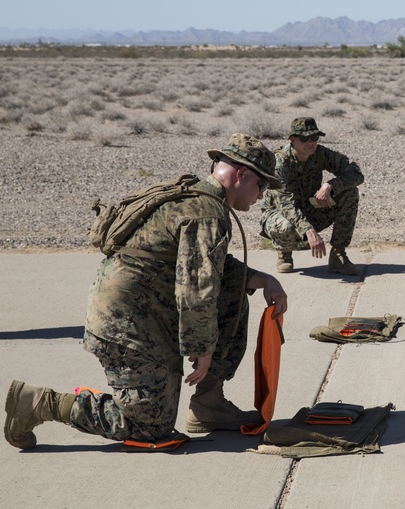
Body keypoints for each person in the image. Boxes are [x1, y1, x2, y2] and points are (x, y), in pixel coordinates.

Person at [5, 134, 289, 450]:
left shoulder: (195, 199)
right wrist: (203, 348)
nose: (261, 196)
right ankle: (40, 403)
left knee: (233, 295)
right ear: (241, 174)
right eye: (262, 186)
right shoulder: (207, 212)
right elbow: (196, 290)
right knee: (148, 424)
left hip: (144, 312)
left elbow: (211, 268)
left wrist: (266, 280)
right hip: (126, 324)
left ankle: (209, 404)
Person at [260, 117, 364, 275]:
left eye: (314, 138)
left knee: (350, 192)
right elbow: (286, 205)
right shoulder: (280, 163)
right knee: (286, 227)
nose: (310, 143)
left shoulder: (320, 153)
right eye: (304, 139)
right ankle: (284, 253)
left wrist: (330, 185)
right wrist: (309, 231)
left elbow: (356, 174)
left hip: (310, 208)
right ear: (293, 140)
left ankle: (338, 255)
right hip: (280, 214)